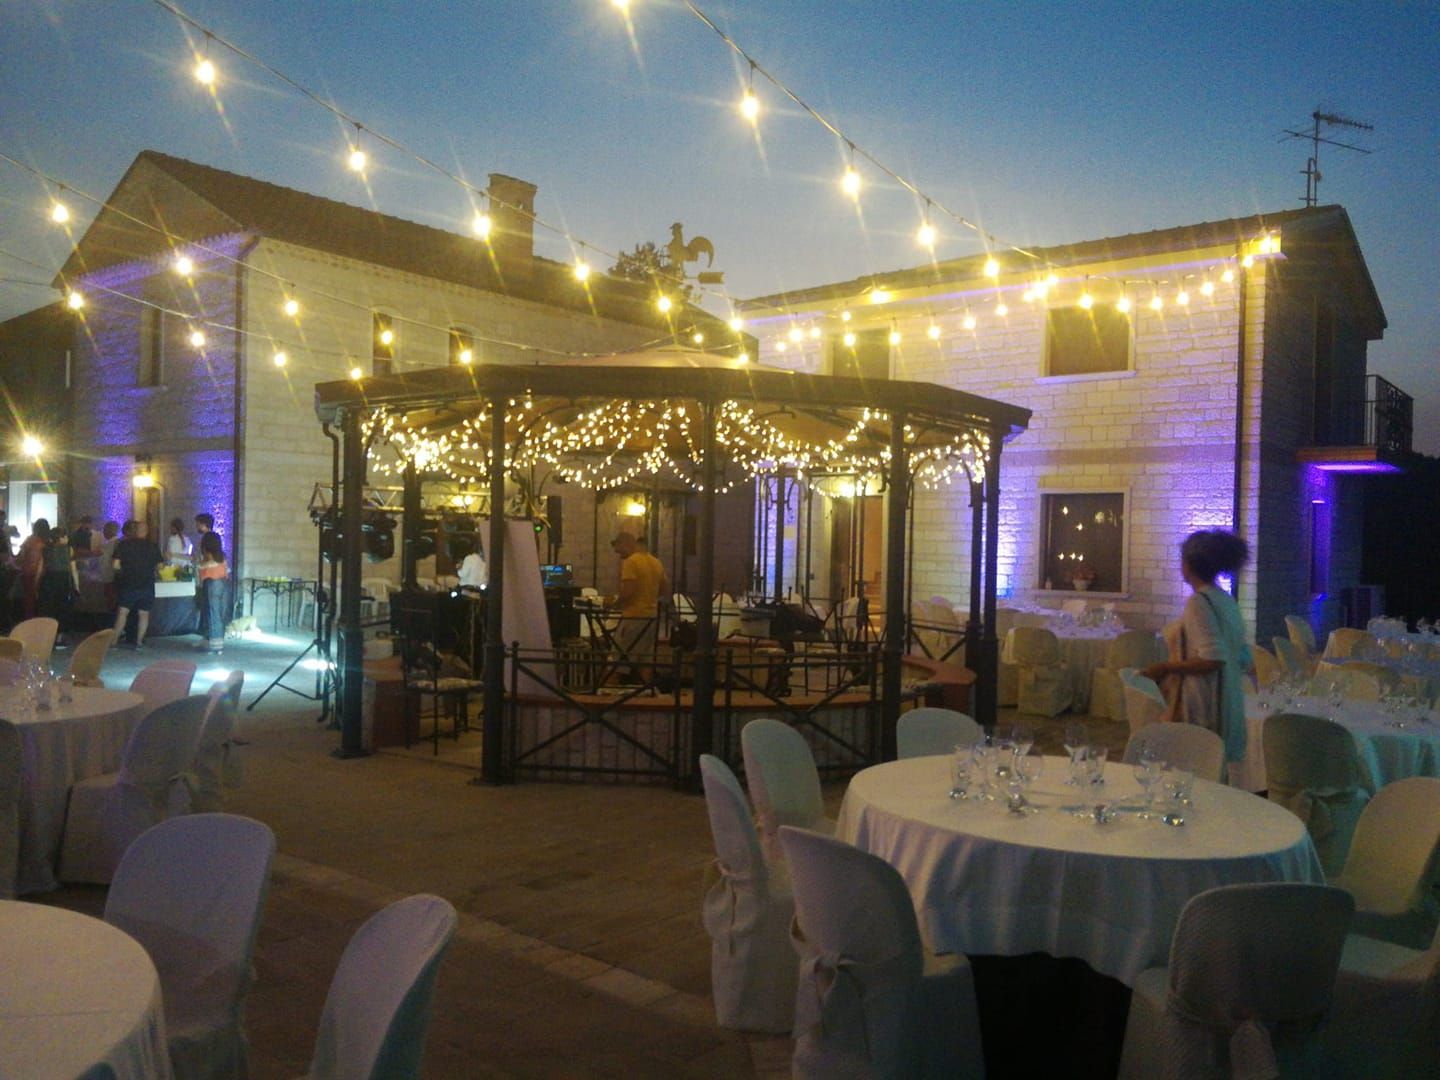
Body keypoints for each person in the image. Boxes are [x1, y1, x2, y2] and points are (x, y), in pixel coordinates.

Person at [1141, 530, 1252, 772]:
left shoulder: (1199, 602)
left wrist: (1165, 668)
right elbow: (1243, 655)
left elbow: (1213, 659)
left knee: (1197, 767)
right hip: (1228, 694)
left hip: (1205, 700)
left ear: (1189, 565)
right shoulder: (1225, 600)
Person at [605, 532, 668, 683]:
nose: (617, 553)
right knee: (645, 661)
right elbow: (664, 589)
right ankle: (647, 693)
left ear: (627, 543)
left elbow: (628, 590)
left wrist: (614, 604)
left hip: (633, 617)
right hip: (651, 618)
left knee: (617, 660)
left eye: (618, 548)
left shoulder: (631, 562)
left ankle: (607, 692)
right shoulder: (656, 562)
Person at [112, 519, 163, 649]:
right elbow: (160, 566)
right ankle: (139, 642)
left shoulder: (124, 545)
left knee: (123, 612)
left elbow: (115, 565)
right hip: (147, 584)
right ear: (146, 532)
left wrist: (124, 571)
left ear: (134, 531)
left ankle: (113, 641)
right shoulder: (153, 546)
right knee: (144, 614)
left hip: (128, 583)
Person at [37, 524, 77, 637]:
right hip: (63, 580)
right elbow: (73, 569)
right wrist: (77, 586)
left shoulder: (45, 549)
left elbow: (40, 568)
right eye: (66, 536)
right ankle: (60, 636)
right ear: (60, 538)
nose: (67, 538)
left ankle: (47, 635)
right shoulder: (69, 549)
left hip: (48, 579)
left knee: (48, 608)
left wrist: (36, 583)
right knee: (63, 608)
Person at [196, 530, 228, 652]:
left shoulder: (207, 561)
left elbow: (200, 571)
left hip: (211, 585)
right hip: (223, 584)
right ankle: (213, 640)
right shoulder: (222, 558)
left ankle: (215, 644)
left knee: (212, 613)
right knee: (219, 613)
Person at [17, 519, 49, 620]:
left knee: (29, 598)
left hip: (28, 571)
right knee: (36, 598)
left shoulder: (30, 540)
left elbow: (21, 556)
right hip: (39, 572)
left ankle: (29, 620)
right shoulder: (45, 542)